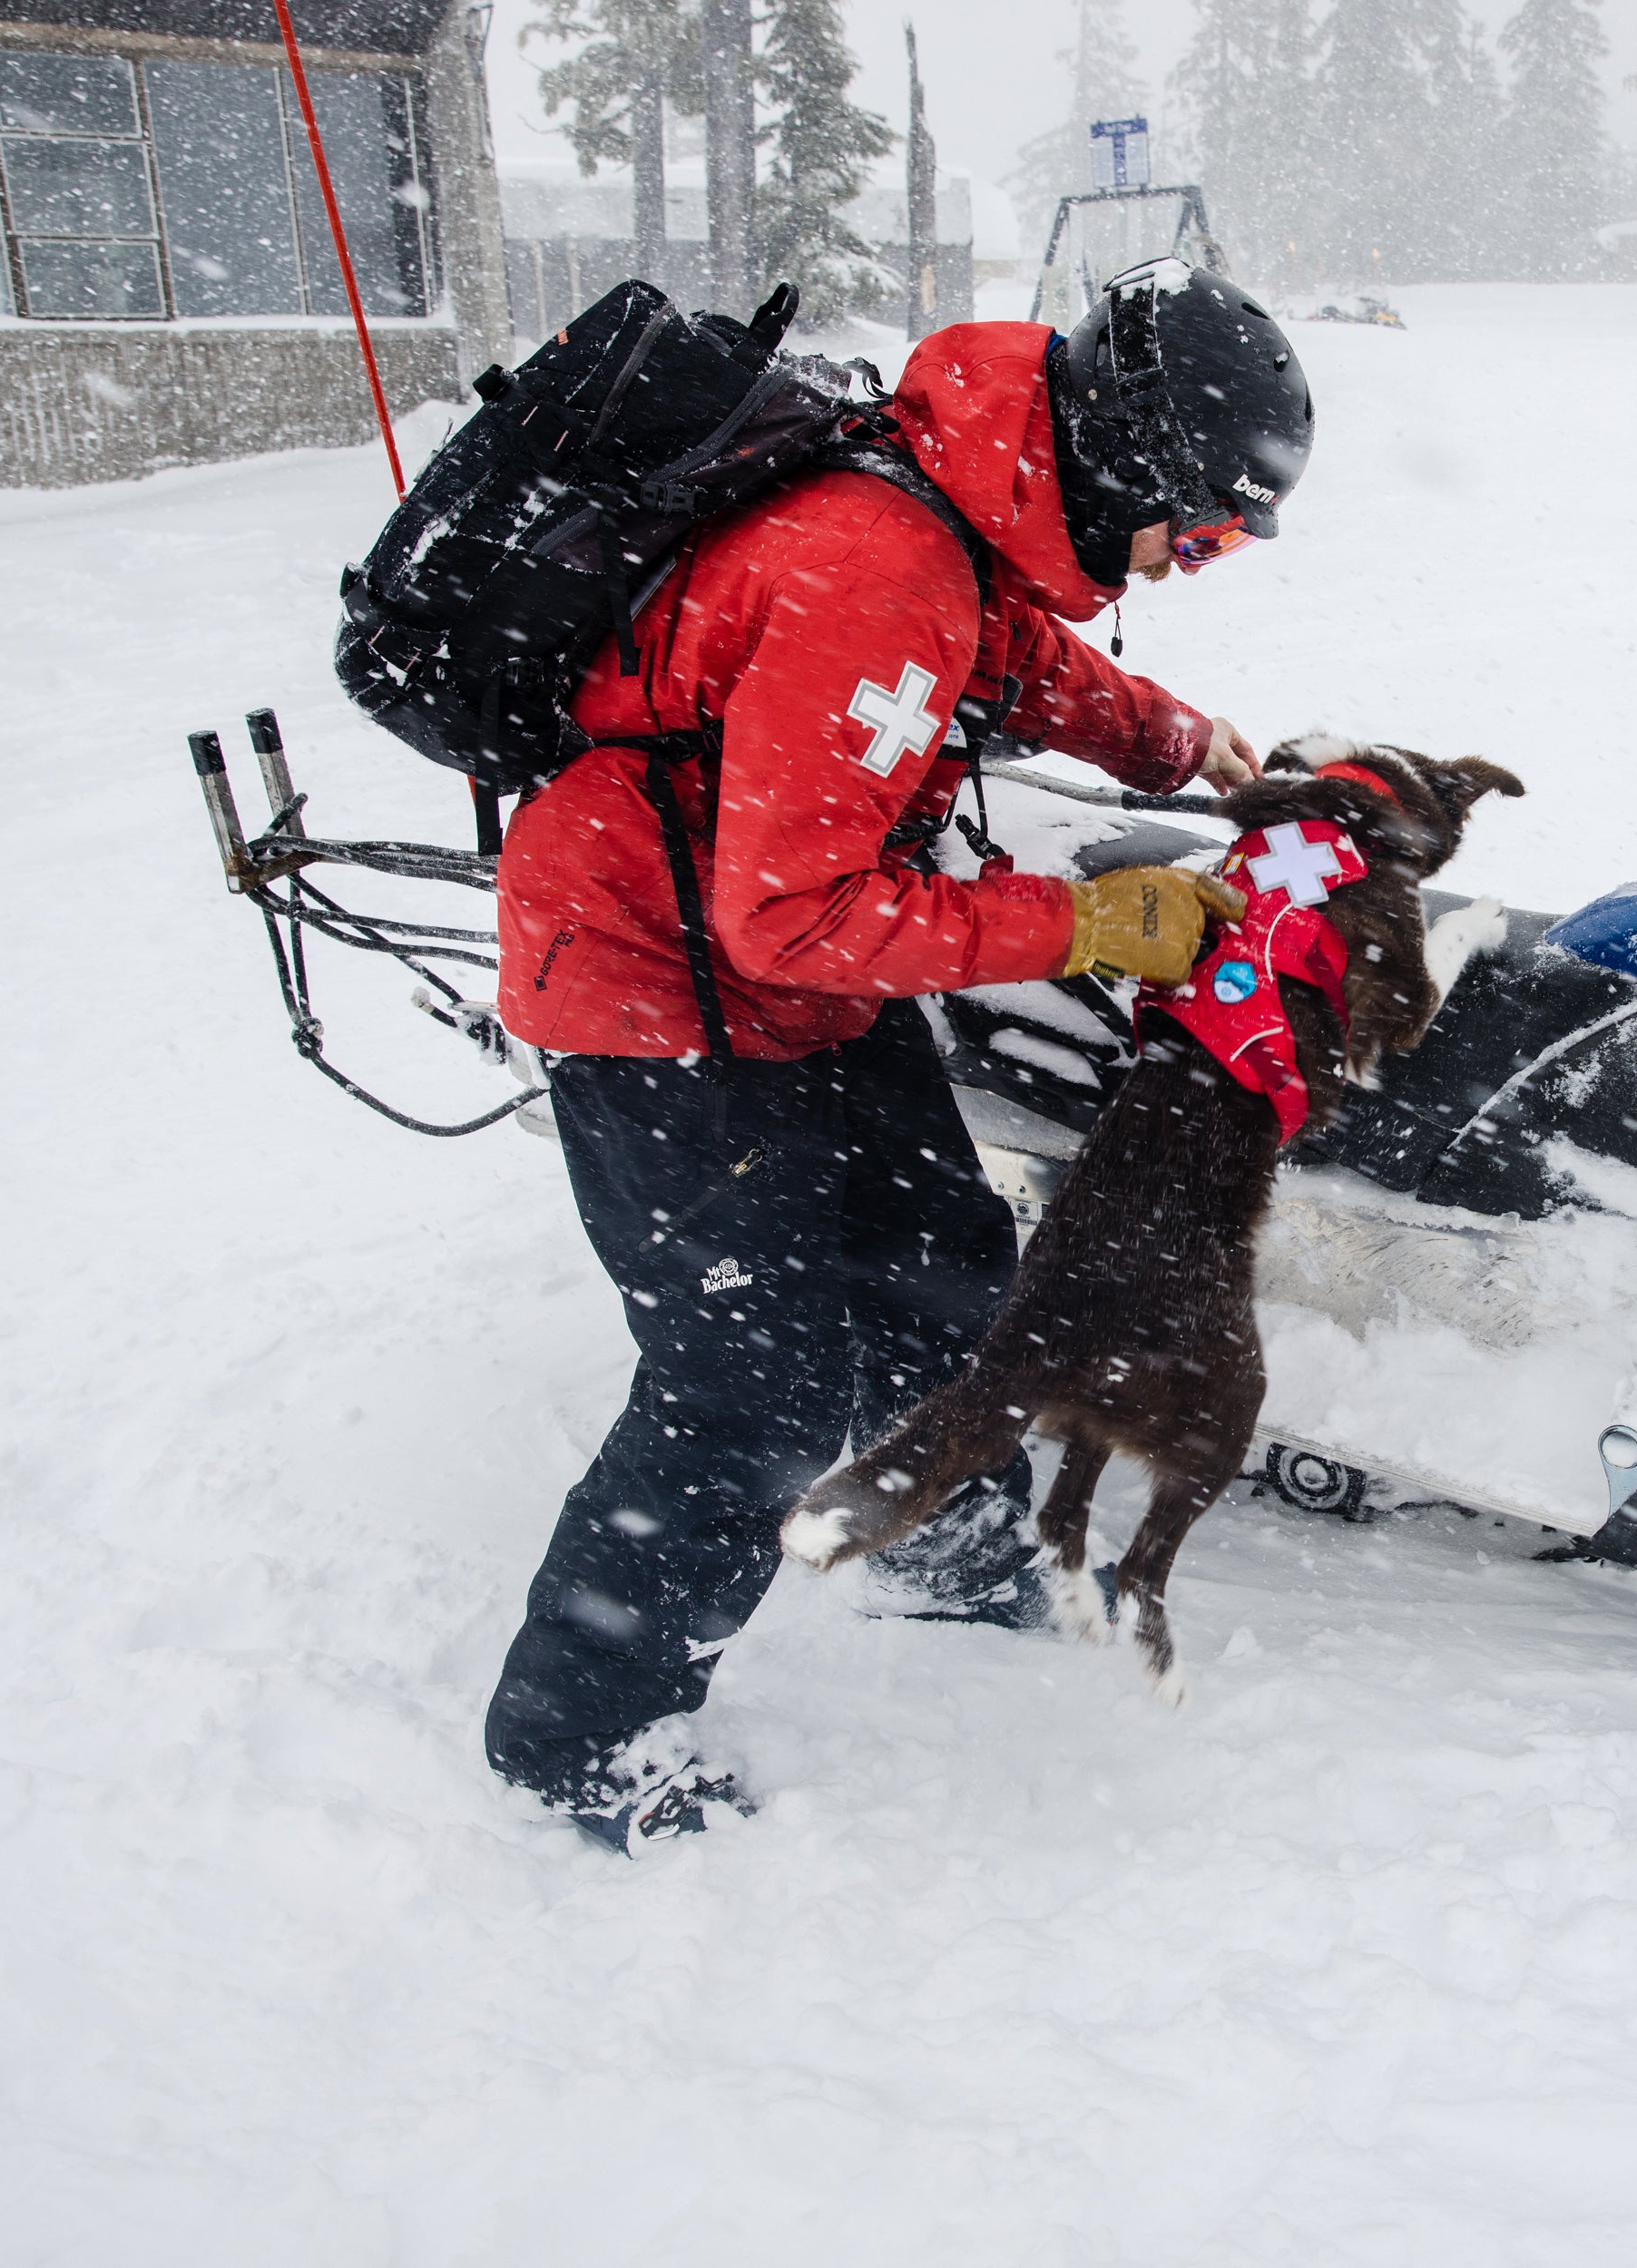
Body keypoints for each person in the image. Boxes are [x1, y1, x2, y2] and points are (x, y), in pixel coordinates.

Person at [483, 261, 1315, 1852]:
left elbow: (1008, 648)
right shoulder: (876, 571)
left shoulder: (968, 505)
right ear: (1128, 464)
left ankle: (941, 1547)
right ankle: (576, 1735)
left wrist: (1163, 736)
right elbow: (792, 911)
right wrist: (1085, 923)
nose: (1197, 565)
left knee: (945, 1264)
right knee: (750, 1383)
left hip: (774, 976)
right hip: (650, 983)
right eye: (1198, 530)